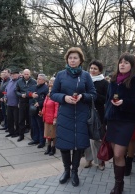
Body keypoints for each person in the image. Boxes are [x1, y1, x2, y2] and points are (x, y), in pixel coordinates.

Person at [50, 47, 96, 187]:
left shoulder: (86, 76)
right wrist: (64, 98)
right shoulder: (61, 75)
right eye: (70, 58)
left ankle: (75, 171)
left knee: (78, 146)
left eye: (75, 58)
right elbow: (53, 94)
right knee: (64, 145)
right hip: (65, 114)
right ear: (67, 60)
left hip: (81, 115)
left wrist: (83, 96)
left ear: (80, 60)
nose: (72, 60)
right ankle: (66, 171)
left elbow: (93, 94)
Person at [104, 53, 135, 194]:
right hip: (113, 120)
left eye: (126, 62)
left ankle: (119, 183)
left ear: (132, 65)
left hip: (127, 121)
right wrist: (107, 115)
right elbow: (107, 99)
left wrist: (125, 103)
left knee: (118, 154)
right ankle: (118, 185)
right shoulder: (113, 79)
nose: (122, 64)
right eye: (121, 62)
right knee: (115, 154)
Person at [84, 59, 108, 171]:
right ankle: (88, 159)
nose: (92, 70)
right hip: (84, 112)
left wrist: (94, 94)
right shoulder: (85, 80)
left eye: (95, 69)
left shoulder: (104, 83)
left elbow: (106, 99)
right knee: (86, 138)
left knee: (97, 138)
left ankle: (100, 161)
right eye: (91, 68)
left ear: (99, 71)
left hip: (97, 113)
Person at [15, 69, 37, 142]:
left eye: (27, 74)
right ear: (23, 74)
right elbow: (16, 91)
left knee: (31, 120)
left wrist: (29, 95)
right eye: (25, 74)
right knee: (21, 119)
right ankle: (21, 135)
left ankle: (33, 137)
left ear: (29, 74)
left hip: (30, 102)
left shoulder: (34, 81)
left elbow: (35, 91)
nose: (26, 75)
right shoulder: (19, 81)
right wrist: (21, 95)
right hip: (22, 101)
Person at [28, 74, 49, 148]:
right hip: (32, 109)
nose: (38, 80)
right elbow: (27, 92)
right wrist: (31, 94)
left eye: (40, 79)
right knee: (34, 125)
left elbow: (47, 99)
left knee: (40, 126)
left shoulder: (45, 88)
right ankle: (35, 139)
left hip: (40, 109)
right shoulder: (34, 86)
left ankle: (42, 141)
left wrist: (40, 103)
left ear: (43, 80)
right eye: (37, 78)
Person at [42, 77, 59, 155]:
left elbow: (56, 108)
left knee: (53, 134)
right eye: (48, 90)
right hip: (46, 118)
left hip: (52, 118)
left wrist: (55, 118)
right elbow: (44, 106)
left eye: (50, 90)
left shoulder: (55, 97)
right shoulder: (47, 97)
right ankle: (48, 147)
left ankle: (53, 148)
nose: (49, 91)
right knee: (47, 135)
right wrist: (42, 112)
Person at [4, 69, 20, 138]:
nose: (13, 75)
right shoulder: (10, 81)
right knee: (9, 119)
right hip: (9, 103)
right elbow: (6, 90)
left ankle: (17, 132)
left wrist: (19, 102)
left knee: (16, 120)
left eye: (14, 74)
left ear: (18, 74)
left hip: (16, 104)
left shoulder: (19, 82)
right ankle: (11, 132)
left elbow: (20, 92)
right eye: (12, 74)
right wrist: (5, 96)